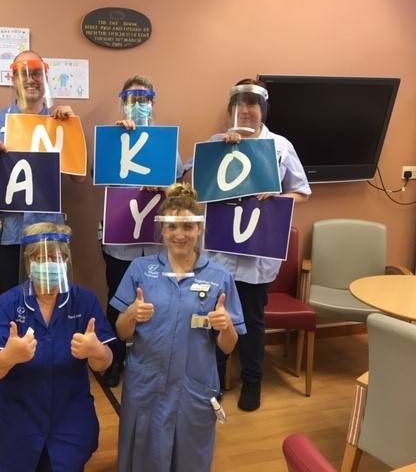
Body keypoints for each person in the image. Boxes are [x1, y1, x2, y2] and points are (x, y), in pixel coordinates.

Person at [111, 183, 245, 472]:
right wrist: (131, 314)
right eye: (172, 226)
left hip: (193, 385)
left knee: (190, 456)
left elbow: (228, 346)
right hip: (146, 383)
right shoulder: (141, 269)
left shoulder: (220, 277)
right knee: (141, 452)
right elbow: (122, 332)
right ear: (162, 230)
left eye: (187, 226)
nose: (180, 234)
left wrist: (225, 327)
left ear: (199, 229)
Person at [199, 78, 312, 411]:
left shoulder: (280, 146)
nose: (245, 110)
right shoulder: (216, 142)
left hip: (256, 254)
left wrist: (276, 196)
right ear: (231, 109)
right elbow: (196, 186)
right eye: (239, 104)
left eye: (252, 104)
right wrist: (220, 151)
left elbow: (302, 192)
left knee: (251, 321)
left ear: (262, 109)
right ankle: (215, 382)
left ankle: (252, 382)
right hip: (219, 251)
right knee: (215, 317)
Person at [0, 222, 115, 472]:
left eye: (56, 258)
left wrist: (96, 351)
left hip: (69, 419)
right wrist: (8, 357)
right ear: (28, 263)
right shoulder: (8, 304)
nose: (48, 264)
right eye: (40, 258)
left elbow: (104, 363)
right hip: (17, 423)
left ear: (66, 261)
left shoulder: (84, 301)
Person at [100, 75, 189, 387]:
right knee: (118, 301)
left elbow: (179, 188)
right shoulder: (111, 137)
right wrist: (115, 141)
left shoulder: (166, 143)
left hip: (155, 241)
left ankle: (150, 360)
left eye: (144, 99)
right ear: (122, 103)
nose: (138, 105)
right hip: (120, 239)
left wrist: (164, 188)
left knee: (157, 302)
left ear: (153, 103)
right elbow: (99, 176)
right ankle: (115, 360)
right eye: (132, 99)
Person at [0, 50, 82, 294]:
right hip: (9, 231)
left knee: (51, 297)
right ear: (12, 79)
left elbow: (78, 177)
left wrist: (71, 129)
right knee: (11, 298)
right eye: (23, 74)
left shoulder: (59, 120)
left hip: (49, 230)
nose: (30, 80)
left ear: (45, 78)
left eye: (37, 73)